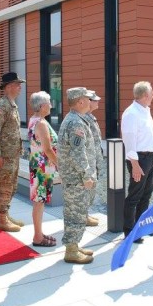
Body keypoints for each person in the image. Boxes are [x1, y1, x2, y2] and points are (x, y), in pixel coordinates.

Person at [58, 87, 97, 264]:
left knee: (77, 212)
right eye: (88, 99)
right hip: (77, 178)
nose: (91, 102)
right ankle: (71, 250)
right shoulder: (76, 123)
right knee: (76, 213)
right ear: (80, 101)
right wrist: (87, 175)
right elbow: (77, 153)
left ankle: (74, 245)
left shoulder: (76, 119)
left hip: (74, 176)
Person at [121, 81, 153, 244]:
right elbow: (129, 142)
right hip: (139, 159)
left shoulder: (144, 110)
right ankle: (130, 232)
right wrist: (135, 165)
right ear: (144, 95)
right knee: (135, 195)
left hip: (148, 158)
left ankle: (141, 226)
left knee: (146, 193)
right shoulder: (131, 114)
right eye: (151, 93)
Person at [0, 72, 26, 232]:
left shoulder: (12, 104)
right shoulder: (2, 105)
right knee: (4, 186)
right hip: (5, 156)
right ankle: (2, 218)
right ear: (10, 86)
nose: (20, 88)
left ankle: (6, 214)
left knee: (11, 185)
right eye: (18, 85)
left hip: (13, 155)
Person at [27, 91, 58, 247]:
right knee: (39, 202)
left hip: (38, 166)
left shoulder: (34, 120)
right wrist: (60, 164)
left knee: (39, 202)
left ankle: (38, 233)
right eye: (49, 102)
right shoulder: (41, 123)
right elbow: (47, 149)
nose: (51, 105)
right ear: (42, 105)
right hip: (42, 169)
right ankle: (37, 237)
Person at [82, 90, 103, 227]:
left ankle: (86, 214)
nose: (98, 102)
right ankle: (83, 216)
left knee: (92, 188)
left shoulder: (90, 117)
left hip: (94, 159)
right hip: (89, 160)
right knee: (87, 189)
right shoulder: (85, 118)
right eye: (95, 100)